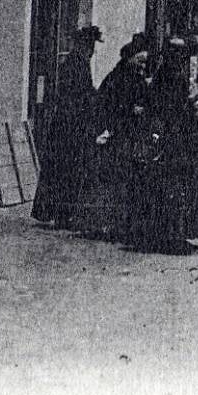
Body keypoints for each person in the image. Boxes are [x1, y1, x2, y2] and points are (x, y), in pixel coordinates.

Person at [126, 38, 198, 254]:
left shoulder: (160, 75)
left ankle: (160, 234)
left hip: (166, 138)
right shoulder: (175, 77)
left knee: (164, 187)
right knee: (179, 188)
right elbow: (175, 109)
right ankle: (175, 236)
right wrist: (193, 110)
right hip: (178, 140)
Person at [76, 33, 151, 238]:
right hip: (118, 134)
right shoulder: (119, 77)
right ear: (130, 58)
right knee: (117, 179)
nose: (143, 65)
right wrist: (131, 110)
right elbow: (108, 106)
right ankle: (112, 224)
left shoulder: (134, 76)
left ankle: (123, 223)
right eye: (140, 61)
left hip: (128, 133)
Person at [32, 25, 103, 228]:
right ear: (85, 45)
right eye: (91, 45)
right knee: (68, 169)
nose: (92, 50)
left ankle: (60, 213)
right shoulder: (77, 63)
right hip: (71, 124)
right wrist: (94, 98)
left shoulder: (74, 62)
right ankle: (63, 215)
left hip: (66, 123)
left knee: (63, 169)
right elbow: (79, 94)